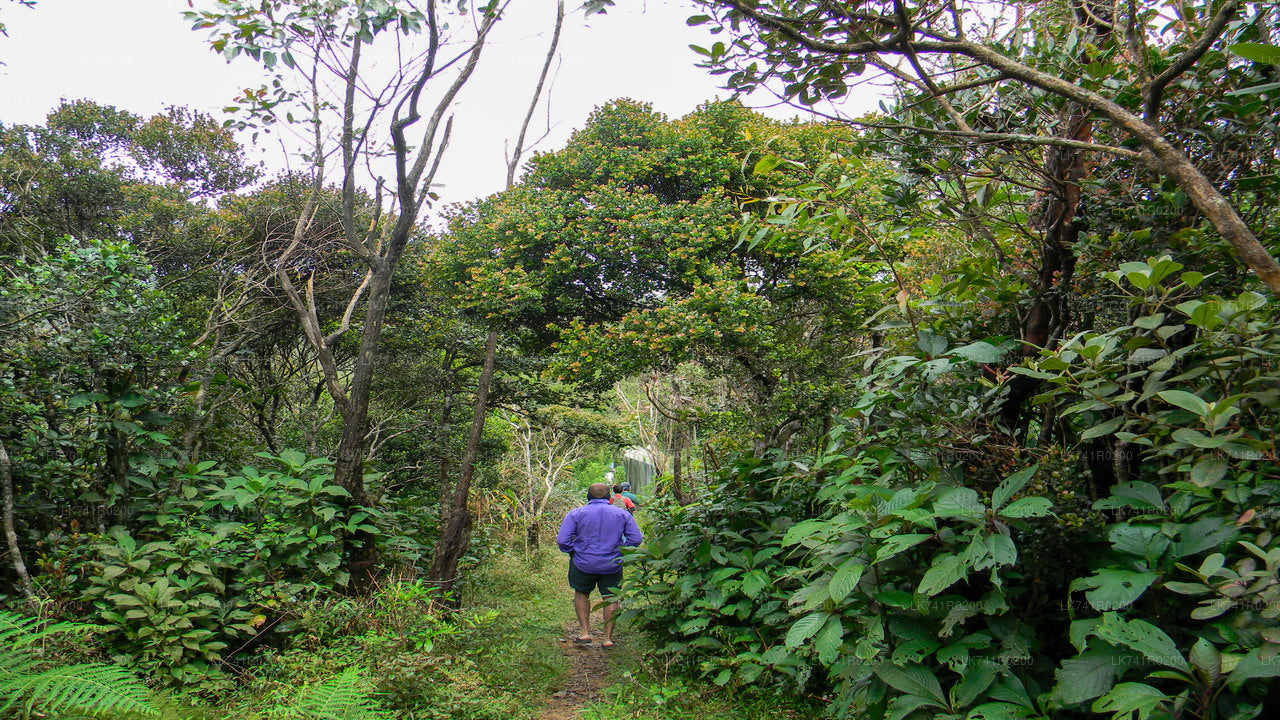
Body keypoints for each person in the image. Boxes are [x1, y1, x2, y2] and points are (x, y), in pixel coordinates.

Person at [557, 482, 643, 647]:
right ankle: (608, 638)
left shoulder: (576, 514)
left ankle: (584, 633)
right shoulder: (622, 515)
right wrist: (621, 552)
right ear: (608, 497)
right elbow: (636, 539)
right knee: (611, 597)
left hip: (583, 563)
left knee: (581, 594)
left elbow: (563, 540)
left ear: (588, 496)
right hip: (612, 563)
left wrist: (573, 551)